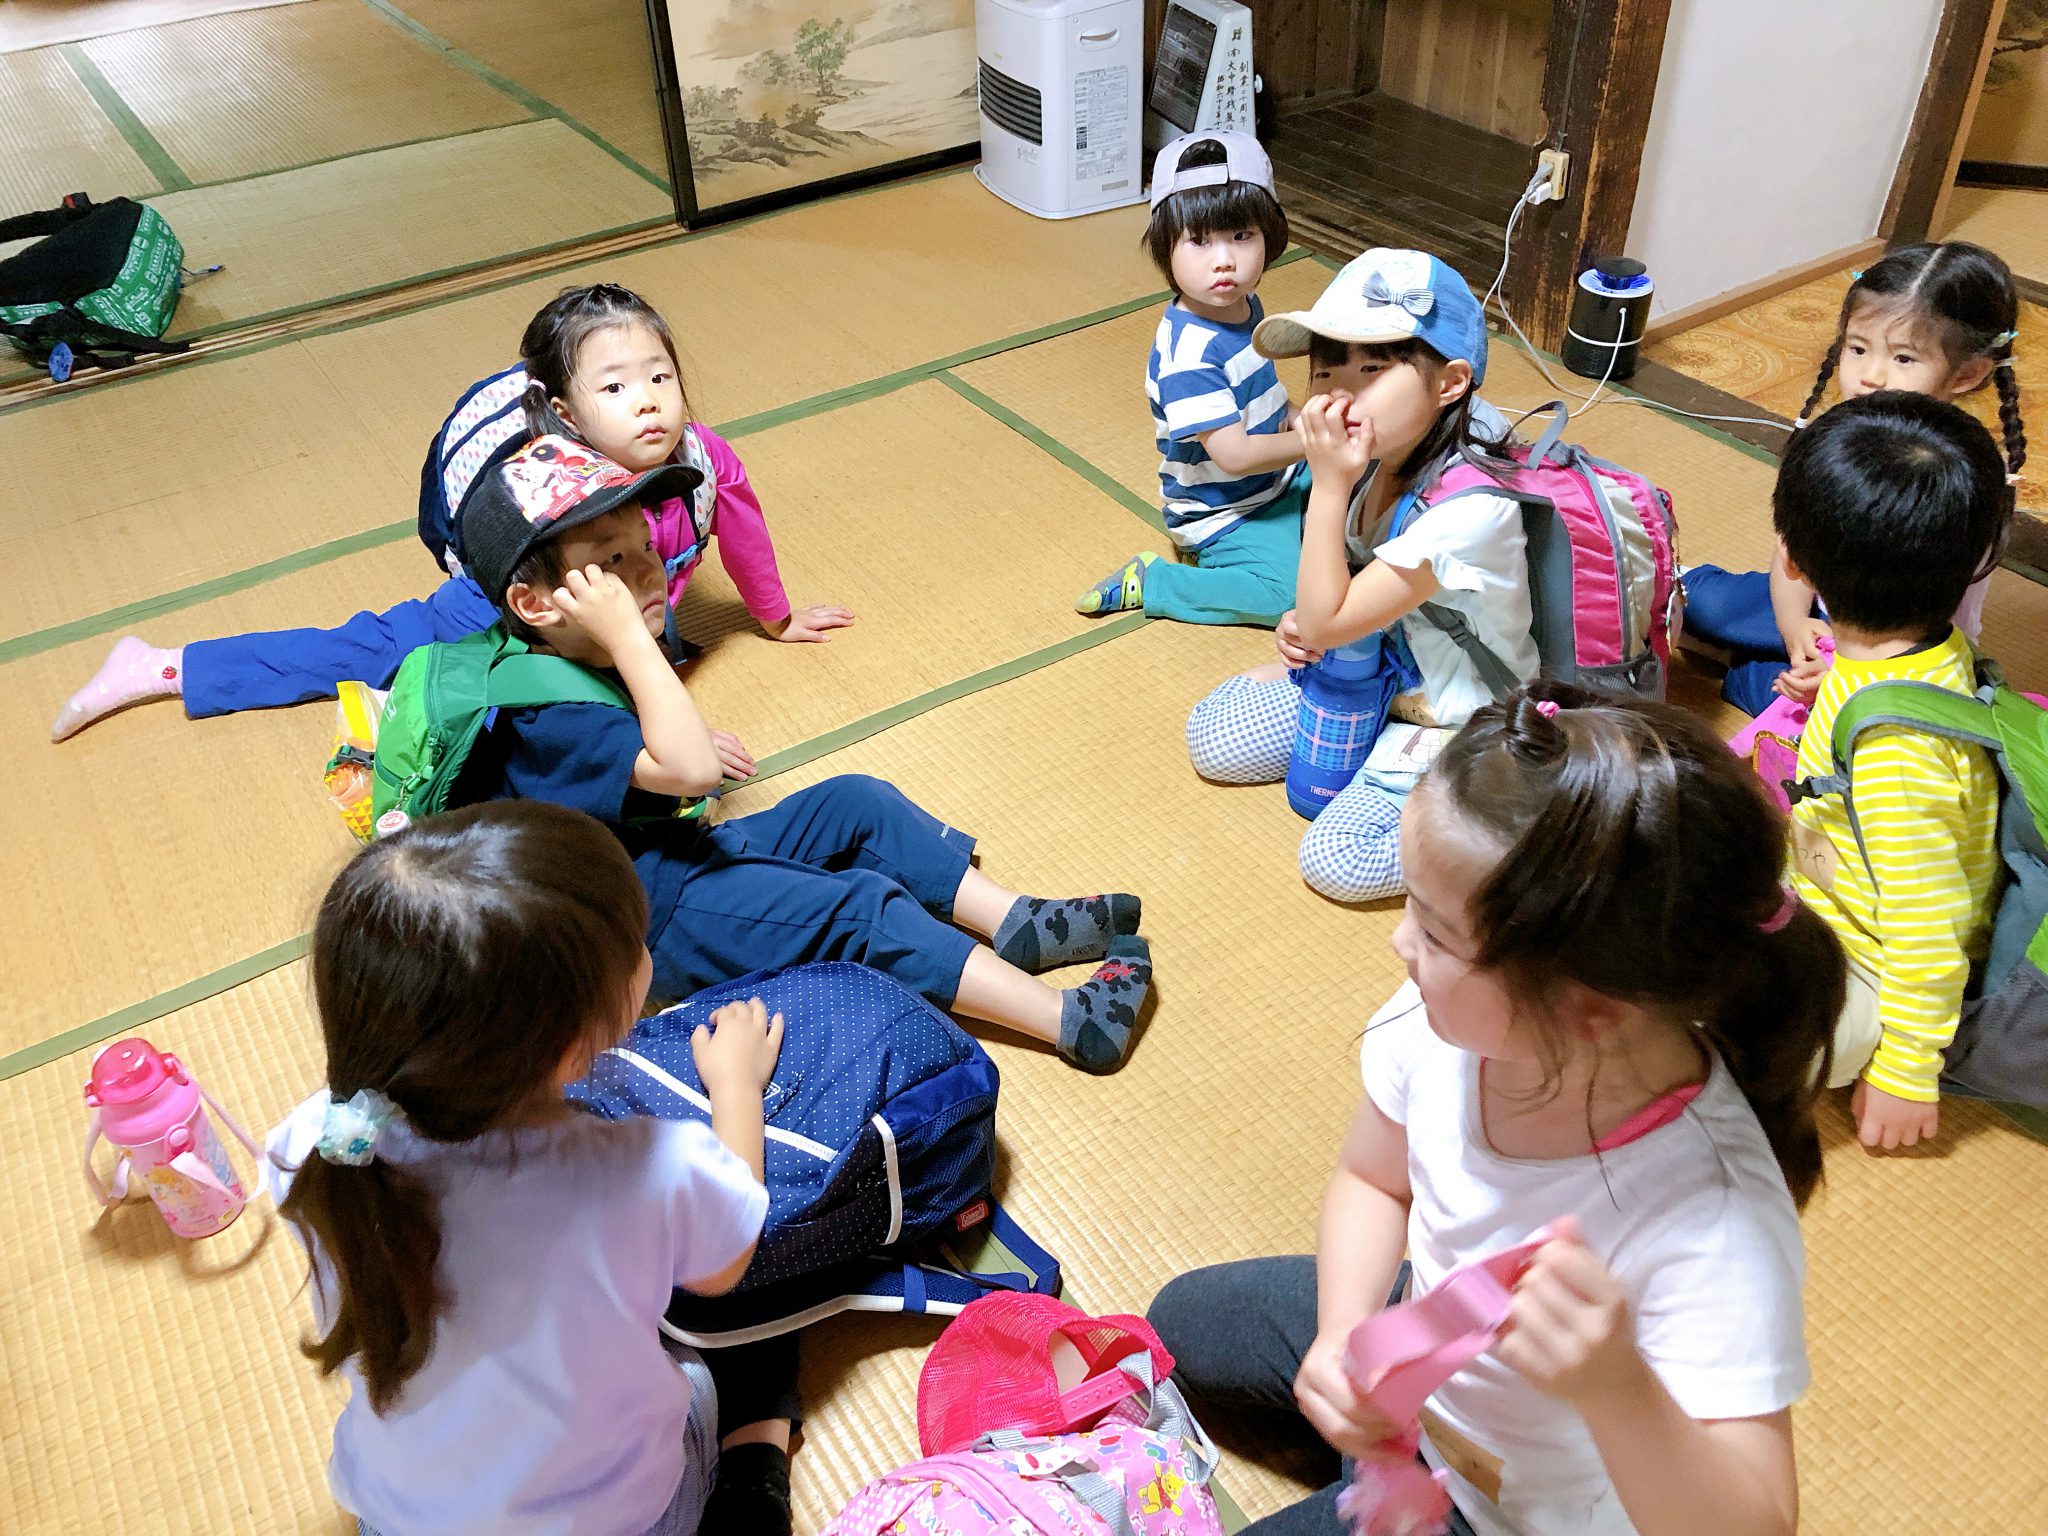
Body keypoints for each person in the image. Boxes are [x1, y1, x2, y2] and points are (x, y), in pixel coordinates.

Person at [1151, 683, 1844, 1536]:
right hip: (1426, 1337)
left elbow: (1756, 1524)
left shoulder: (1714, 1222)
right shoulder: (1439, 1021)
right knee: (1176, 1326)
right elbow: (1373, 1180)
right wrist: (1343, 1333)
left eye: (1435, 932)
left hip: (1507, 1511)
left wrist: (1618, 1388)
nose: (1400, 942)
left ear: (1589, 1009)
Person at [443, 432, 1154, 1072]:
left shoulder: (568, 657)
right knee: (863, 909)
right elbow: (688, 771)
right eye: (611, 563)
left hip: (668, 855)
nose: (649, 573)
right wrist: (632, 639)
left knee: (855, 803)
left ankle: (1016, 922)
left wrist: (648, 683)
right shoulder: (548, 715)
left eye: (646, 547)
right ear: (536, 604)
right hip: (654, 919)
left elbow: (653, 759)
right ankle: (1068, 1021)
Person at [268, 799, 802, 1534]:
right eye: (636, 944)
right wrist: (737, 1084)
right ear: (573, 1051)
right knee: (750, 1335)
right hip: (620, 1519)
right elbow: (727, 1263)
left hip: (398, 1517)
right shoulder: (648, 1169)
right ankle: (753, 1468)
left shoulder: (315, 1146)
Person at [51, 283, 851, 750]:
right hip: (515, 606)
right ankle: (163, 667)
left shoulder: (703, 458)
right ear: (563, 411)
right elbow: (579, 647)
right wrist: (668, 731)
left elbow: (741, 527)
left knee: (639, 663)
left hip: (608, 625)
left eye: (660, 377)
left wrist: (775, 617)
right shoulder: (539, 489)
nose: (646, 401)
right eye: (614, 387)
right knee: (381, 655)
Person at [1184, 249, 1535, 904]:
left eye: (1372, 369)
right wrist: (1300, 630)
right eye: (1325, 370)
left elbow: (1331, 617)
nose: (1339, 393)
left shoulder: (1471, 507)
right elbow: (1331, 601)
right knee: (1216, 739)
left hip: (1455, 719)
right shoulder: (1378, 453)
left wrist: (1327, 485)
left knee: (1337, 860)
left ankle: (1526, 824)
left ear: (1450, 383)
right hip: (1381, 674)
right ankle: (1384, 771)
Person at [1777, 392, 2011, 1150]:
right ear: (1976, 560)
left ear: (1794, 561)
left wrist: (1907, 1072)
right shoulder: (1920, 649)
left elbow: (1927, 928)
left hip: (1873, 968)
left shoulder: (1898, 756)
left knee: (1736, 1038)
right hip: (1823, 885)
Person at [1680, 241, 2026, 715]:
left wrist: (1843, 674)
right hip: (1819, 603)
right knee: (1691, 601)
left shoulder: (1961, 478)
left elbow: (1933, 638)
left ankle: (1738, 662)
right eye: (1858, 348)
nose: (1871, 376)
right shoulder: (1833, 441)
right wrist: (1794, 628)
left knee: (1805, 711)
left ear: (1966, 374)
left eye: (1903, 358)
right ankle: (1745, 647)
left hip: (1888, 649)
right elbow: (1792, 554)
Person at [1075, 130, 1304, 627]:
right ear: (1166, 250)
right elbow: (1234, 455)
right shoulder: (1189, 356)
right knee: (1287, 598)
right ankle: (1158, 581)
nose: (1224, 260)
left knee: (1378, 479)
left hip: (1279, 477)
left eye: (1241, 236)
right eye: (1199, 241)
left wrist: (1298, 416)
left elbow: (1261, 393)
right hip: (1226, 512)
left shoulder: (1244, 305)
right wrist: (1316, 442)